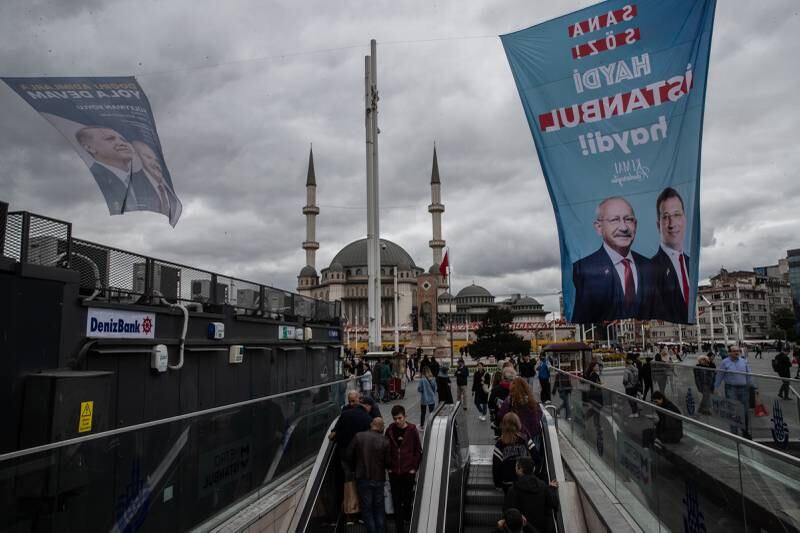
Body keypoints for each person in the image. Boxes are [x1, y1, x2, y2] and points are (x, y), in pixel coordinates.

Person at [571, 196, 653, 323]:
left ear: (635, 225)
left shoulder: (651, 268)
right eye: (614, 220)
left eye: (628, 220)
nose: (624, 227)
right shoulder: (582, 269)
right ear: (599, 227)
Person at [75, 126, 145, 215]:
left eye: (124, 140)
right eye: (109, 139)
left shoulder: (142, 180)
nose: (122, 143)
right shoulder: (89, 182)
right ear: (90, 148)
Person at [649, 188, 691, 323]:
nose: (672, 224)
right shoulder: (648, 270)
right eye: (666, 217)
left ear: (684, 219)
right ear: (658, 225)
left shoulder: (692, 264)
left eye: (677, 215)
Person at [348, 417, 391, 533]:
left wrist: (355, 467)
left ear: (371, 424)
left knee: (367, 509)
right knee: (379, 508)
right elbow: (388, 462)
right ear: (381, 427)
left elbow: (349, 455)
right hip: (378, 479)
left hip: (362, 478)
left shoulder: (358, 436)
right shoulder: (385, 441)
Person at [386, 406, 422, 532]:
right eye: (395, 418)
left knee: (407, 499)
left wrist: (414, 468)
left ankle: (408, 519)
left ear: (405, 416)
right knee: (396, 500)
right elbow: (386, 450)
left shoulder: (412, 430)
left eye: (399, 418)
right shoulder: (390, 429)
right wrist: (389, 467)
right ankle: (400, 527)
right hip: (394, 472)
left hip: (408, 472)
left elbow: (418, 450)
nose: (397, 421)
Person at [131, 140, 182, 223]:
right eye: (148, 157)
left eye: (157, 160)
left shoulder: (164, 188)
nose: (155, 163)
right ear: (136, 158)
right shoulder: (135, 186)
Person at [504, 457, 559, 533]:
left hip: (523, 529)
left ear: (519, 470)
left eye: (516, 466)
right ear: (533, 469)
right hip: (543, 528)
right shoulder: (543, 486)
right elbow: (553, 502)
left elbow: (508, 512)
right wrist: (551, 489)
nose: (515, 468)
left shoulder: (513, 490)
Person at [713, 345, 754, 438]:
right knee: (733, 409)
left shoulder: (744, 361)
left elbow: (749, 374)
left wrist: (752, 386)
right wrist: (716, 387)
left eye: (738, 351)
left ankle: (745, 430)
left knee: (744, 410)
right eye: (734, 351)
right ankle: (734, 432)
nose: (737, 352)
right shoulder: (725, 362)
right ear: (729, 352)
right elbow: (720, 375)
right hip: (731, 388)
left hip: (744, 388)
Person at [492, 413, 537, 492]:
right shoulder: (525, 439)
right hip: (524, 480)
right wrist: (534, 474)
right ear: (518, 424)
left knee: (510, 502)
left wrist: (498, 484)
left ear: (503, 425)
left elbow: (496, 466)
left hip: (507, 482)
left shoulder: (500, 444)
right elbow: (536, 457)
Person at [498, 378, 543, 443]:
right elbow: (539, 414)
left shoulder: (509, 401)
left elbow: (501, 416)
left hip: (514, 436)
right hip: (532, 436)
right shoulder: (531, 402)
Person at [489, 367, 516, 435]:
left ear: (502, 377)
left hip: (500, 420)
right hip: (515, 421)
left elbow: (490, 404)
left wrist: (493, 419)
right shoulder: (518, 389)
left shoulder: (496, 389)